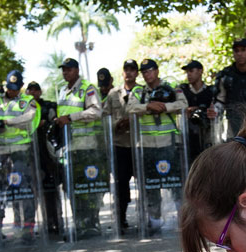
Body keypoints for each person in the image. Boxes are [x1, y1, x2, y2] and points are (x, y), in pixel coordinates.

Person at [126, 58, 188, 235]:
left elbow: (183, 104)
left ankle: (182, 220)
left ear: (157, 71)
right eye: (144, 72)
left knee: (175, 183)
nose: (147, 75)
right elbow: (130, 109)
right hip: (146, 146)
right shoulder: (138, 90)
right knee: (151, 186)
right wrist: (147, 106)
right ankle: (155, 221)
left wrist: (164, 107)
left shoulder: (171, 86)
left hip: (169, 143)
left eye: (150, 71)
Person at [0, 69, 41, 242]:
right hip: (0, 151)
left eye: (15, 88)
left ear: (21, 87)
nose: (12, 91)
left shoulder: (28, 101)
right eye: (9, 87)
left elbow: (29, 117)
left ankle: (28, 229)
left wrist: (7, 121)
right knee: (0, 191)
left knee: (24, 190)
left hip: (20, 151)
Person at [55, 57, 106, 236]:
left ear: (77, 70)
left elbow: (96, 111)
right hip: (69, 148)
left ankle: (92, 223)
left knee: (89, 187)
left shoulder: (87, 88)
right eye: (63, 69)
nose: (65, 72)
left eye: (68, 69)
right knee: (72, 187)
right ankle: (79, 223)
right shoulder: (62, 91)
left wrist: (70, 118)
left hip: (86, 147)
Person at [103, 59, 140, 232]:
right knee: (121, 185)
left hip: (139, 144)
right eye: (127, 69)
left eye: (133, 69)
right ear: (123, 72)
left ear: (137, 73)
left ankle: (148, 218)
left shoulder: (143, 91)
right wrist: (116, 124)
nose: (130, 72)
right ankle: (121, 219)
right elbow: (105, 116)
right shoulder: (113, 93)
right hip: (120, 145)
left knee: (146, 184)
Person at [26, 81, 61, 234]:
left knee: (50, 190)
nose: (33, 93)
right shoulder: (20, 106)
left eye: (36, 90)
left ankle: (54, 222)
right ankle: (28, 227)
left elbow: (55, 124)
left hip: (46, 152)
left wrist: (45, 123)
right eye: (30, 90)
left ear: (40, 92)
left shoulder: (49, 106)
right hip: (28, 153)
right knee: (29, 191)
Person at [179, 59, 215, 166]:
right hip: (187, 136)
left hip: (206, 135)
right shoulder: (182, 90)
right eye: (187, 72)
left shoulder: (210, 91)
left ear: (200, 71)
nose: (188, 74)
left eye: (191, 71)